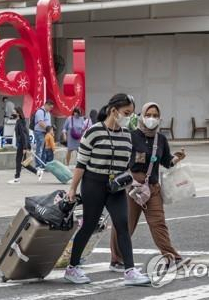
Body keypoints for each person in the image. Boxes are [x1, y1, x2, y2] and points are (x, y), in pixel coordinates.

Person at [64, 93, 150, 286]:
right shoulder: (93, 132)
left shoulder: (127, 136)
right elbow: (81, 164)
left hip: (116, 187)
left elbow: (125, 165)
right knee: (89, 226)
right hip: (93, 183)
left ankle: (129, 270)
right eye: (126, 113)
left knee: (122, 225)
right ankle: (72, 268)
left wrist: (130, 182)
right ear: (114, 110)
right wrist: (72, 189)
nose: (129, 117)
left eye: (131, 113)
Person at [109, 102, 191, 273]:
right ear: (141, 116)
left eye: (155, 115)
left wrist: (176, 158)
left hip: (152, 188)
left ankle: (172, 258)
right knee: (124, 225)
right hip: (131, 188)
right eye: (149, 115)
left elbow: (166, 161)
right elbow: (120, 159)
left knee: (158, 223)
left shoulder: (160, 139)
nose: (152, 119)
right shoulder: (130, 136)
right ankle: (117, 260)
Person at [7, 106, 44, 184]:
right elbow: (26, 134)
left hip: (21, 145)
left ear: (18, 113)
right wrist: (28, 146)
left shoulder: (20, 122)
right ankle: (38, 172)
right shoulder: (21, 121)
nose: (12, 113)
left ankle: (17, 179)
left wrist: (25, 147)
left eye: (14, 112)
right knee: (23, 163)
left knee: (18, 161)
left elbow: (24, 135)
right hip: (23, 144)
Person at [33, 100, 54, 168]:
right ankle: (38, 165)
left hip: (46, 133)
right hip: (39, 132)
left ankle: (43, 164)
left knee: (45, 149)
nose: (51, 109)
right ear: (46, 105)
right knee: (40, 149)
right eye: (50, 107)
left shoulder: (48, 113)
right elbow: (41, 123)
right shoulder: (40, 112)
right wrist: (49, 130)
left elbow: (49, 124)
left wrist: (51, 131)